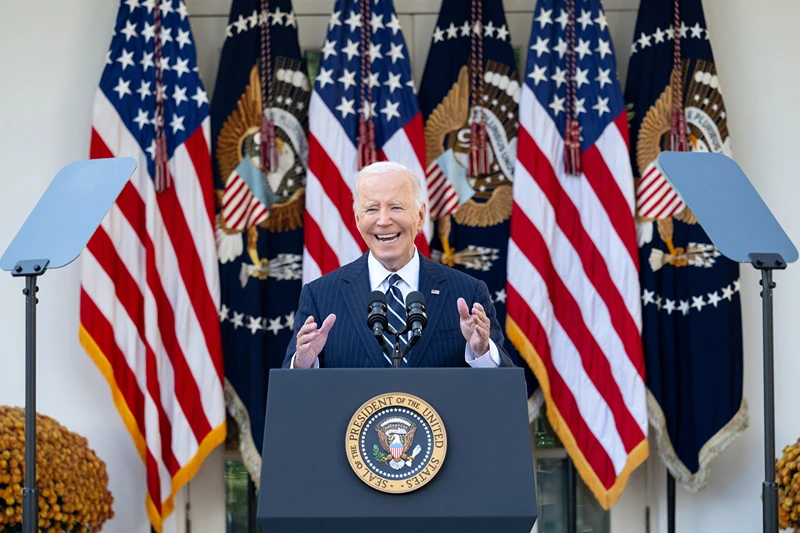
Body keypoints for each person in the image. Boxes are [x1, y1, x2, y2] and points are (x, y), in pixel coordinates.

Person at [283, 161, 514, 368]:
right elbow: (292, 395)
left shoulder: (466, 293)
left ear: (421, 216)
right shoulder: (321, 295)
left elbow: (503, 391)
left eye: (396, 207)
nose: (384, 221)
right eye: (372, 209)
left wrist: (481, 352)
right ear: (357, 219)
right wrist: (303, 365)